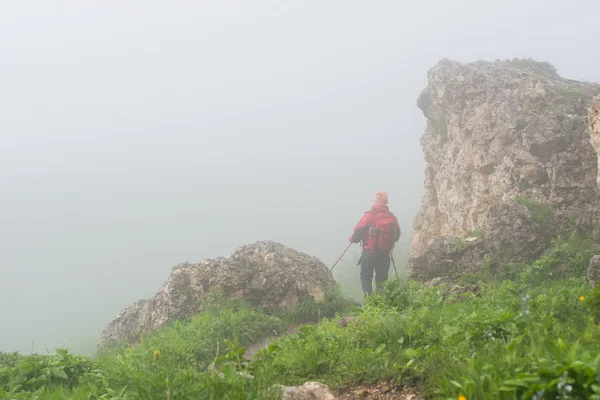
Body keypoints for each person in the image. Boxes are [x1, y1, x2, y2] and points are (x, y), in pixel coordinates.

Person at [349, 192, 401, 297]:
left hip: (369, 252)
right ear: (386, 202)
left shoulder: (369, 216)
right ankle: (381, 302)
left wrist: (352, 239)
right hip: (385, 253)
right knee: (381, 280)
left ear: (376, 201)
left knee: (366, 277)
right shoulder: (392, 218)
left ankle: (370, 300)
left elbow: (358, 232)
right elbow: (397, 235)